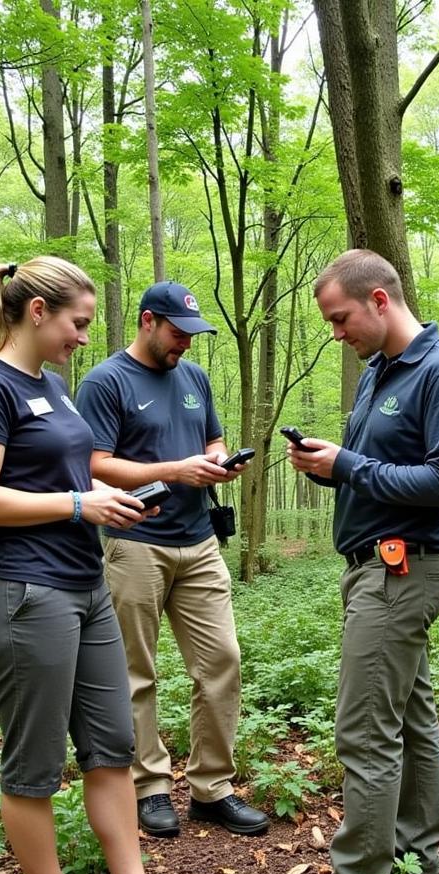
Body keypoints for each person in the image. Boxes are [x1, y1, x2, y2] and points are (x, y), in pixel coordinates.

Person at [0, 257, 215, 874]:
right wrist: (76, 503)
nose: (81, 337)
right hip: (20, 592)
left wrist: (111, 501)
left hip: (84, 585)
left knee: (112, 748)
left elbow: (76, 470)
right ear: (37, 313)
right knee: (34, 764)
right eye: (77, 323)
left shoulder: (56, 386)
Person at [268, 249, 439, 874]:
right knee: (411, 718)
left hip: (401, 571)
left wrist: (351, 464)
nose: (337, 333)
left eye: (341, 318)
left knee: (364, 730)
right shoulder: (379, 374)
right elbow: (383, 470)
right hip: (374, 567)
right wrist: (334, 467)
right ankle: (419, 861)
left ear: (381, 301)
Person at [75, 281, 269, 839]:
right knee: (137, 670)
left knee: (221, 661)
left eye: (192, 334)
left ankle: (212, 786)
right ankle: (149, 786)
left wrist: (215, 460)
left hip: (198, 541)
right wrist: (172, 471)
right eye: (178, 333)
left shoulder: (194, 378)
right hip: (135, 540)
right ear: (146, 322)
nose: (186, 343)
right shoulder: (106, 381)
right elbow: (95, 464)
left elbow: (212, 438)